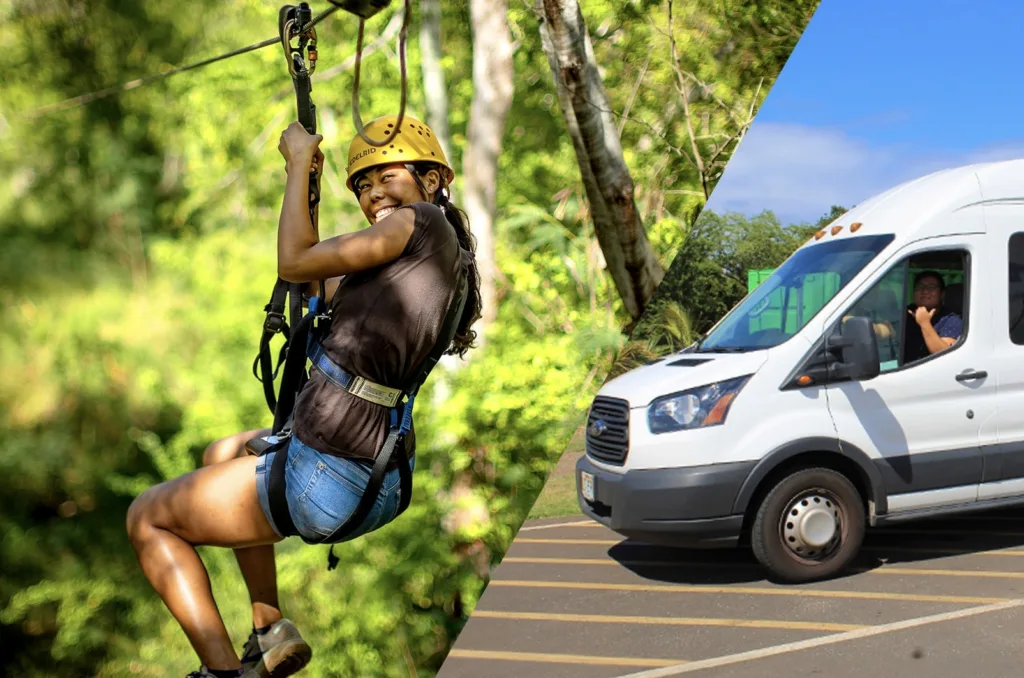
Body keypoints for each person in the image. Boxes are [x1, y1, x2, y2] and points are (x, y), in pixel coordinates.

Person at [125, 114, 482, 678]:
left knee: (147, 516)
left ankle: (221, 674)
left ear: (432, 179)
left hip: (331, 476)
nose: (372, 195)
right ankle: (269, 630)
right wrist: (305, 184)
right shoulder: (433, 260)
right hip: (379, 475)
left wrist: (296, 162)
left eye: (386, 176)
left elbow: (292, 262)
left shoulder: (419, 221)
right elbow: (308, 271)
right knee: (222, 452)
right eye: (362, 186)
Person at [904, 270, 962, 362]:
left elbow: (945, 355)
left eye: (932, 287)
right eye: (920, 287)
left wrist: (924, 323)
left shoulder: (951, 320)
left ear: (942, 294)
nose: (925, 291)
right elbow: (890, 329)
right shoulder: (906, 312)